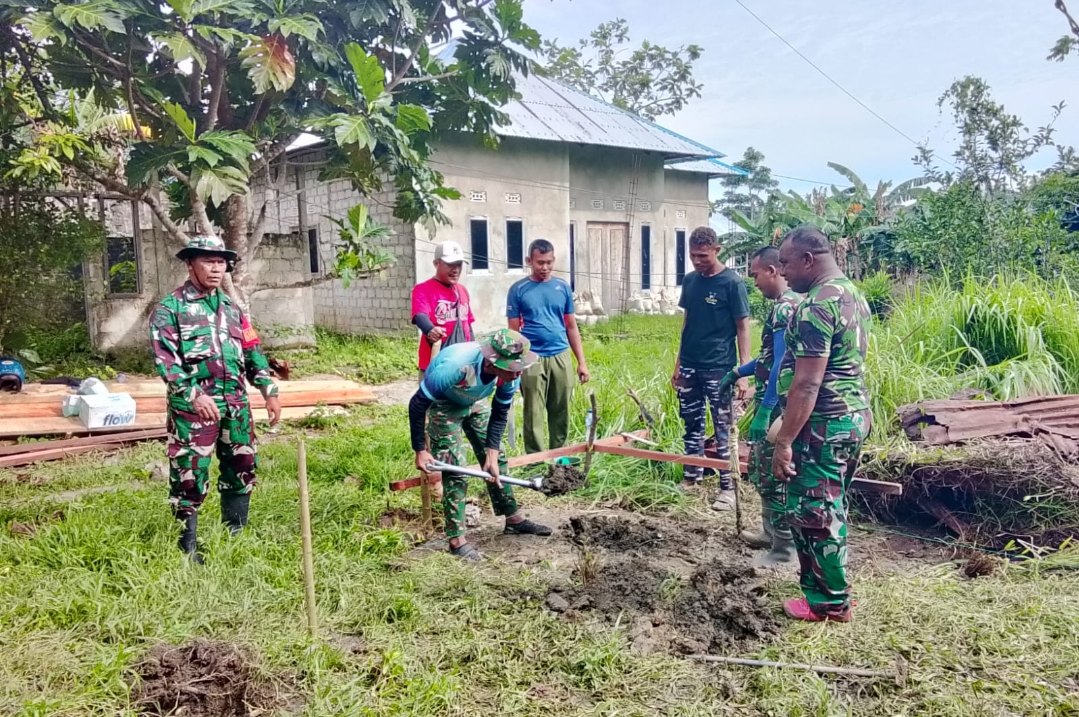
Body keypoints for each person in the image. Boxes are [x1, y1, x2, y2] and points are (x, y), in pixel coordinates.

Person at [149, 235, 282, 564]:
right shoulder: (170, 309)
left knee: (242, 468)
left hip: (235, 406)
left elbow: (252, 350)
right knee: (189, 476)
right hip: (193, 412)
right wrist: (194, 395)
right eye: (208, 261)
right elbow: (167, 363)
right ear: (190, 264)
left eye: (221, 262)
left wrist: (269, 390)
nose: (215, 268)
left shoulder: (232, 308)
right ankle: (187, 548)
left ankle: (234, 537)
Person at [772, 226, 872, 622]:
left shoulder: (816, 305)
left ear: (808, 260)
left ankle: (830, 604)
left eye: (786, 263)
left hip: (823, 425)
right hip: (853, 416)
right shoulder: (851, 294)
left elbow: (808, 382)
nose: (782, 271)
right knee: (832, 506)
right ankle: (829, 591)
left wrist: (785, 441)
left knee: (815, 513)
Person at [410, 329, 552, 561]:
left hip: (475, 400)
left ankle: (513, 519)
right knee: (455, 468)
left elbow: (500, 411)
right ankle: (457, 540)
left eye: (520, 368)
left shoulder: (509, 375)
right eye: (512, 369)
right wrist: (420, 450)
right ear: (492, 362)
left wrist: (491, 454)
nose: (518, 374)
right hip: (445, 404)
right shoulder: (455, 366)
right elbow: (417, 404)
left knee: (498, 459)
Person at [720, 246, 801, 565]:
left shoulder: (785, 309)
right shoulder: (791, 303)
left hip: (778, 406)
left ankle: (783, 550)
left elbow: (781, 362)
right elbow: (770, 357)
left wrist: (765, 411)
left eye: (755, 275)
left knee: (772, 473)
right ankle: (771, 535)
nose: (754, 282)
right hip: (777, 400)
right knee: (764, 470)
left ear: (772, 271)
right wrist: (740, 371)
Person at [672, 226, 751, 511]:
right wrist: (678, 363)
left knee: (723, 428)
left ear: (716, 250)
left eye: (703, 256)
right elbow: (687, 322)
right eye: (693, 255)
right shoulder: (690, 281)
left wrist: (743, 372)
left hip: (719, 367)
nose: (697, 261)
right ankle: (691, 477)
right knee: (691, 424)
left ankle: (727, 487)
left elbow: (743, 327)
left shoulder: (732, 283)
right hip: (690, 365)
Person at [507, 239, 589, 455]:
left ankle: (559, 458)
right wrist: (514, 365)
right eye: (540, 262)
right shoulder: (518, 290)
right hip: (532, 357)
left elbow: (571, 326)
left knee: (561, 409)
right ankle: (535, 461)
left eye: (549, 262)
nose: (545, 267)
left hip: (560, 355)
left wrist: (581, 362)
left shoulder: (562, 288)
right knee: (533, 411)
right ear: (529, 261)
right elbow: (513, 332)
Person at [411, 240, 474, 380]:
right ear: (436, 263)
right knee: (432, 395)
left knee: (470, 394)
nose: (456, 269)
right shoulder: (423, 289)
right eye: (450, 264)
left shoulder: (462, 290)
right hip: (436, 363)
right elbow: (420, 316)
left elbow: (468, 326)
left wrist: (475, 354)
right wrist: (430, 329)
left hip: (464, 363)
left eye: (459, 264)